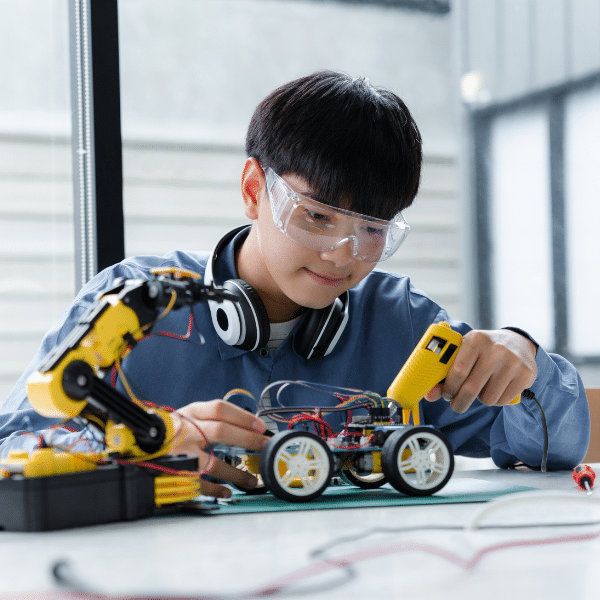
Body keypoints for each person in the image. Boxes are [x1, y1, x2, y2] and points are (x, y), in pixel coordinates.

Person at [0, 71, 590, 498]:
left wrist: (525, 359)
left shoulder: (403, 322)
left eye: (372, 229)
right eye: (317, 216)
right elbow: (16, 450)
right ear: (255, 189)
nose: (344, 253)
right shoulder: (136, 303)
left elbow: (549, 445)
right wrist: (143, 451)